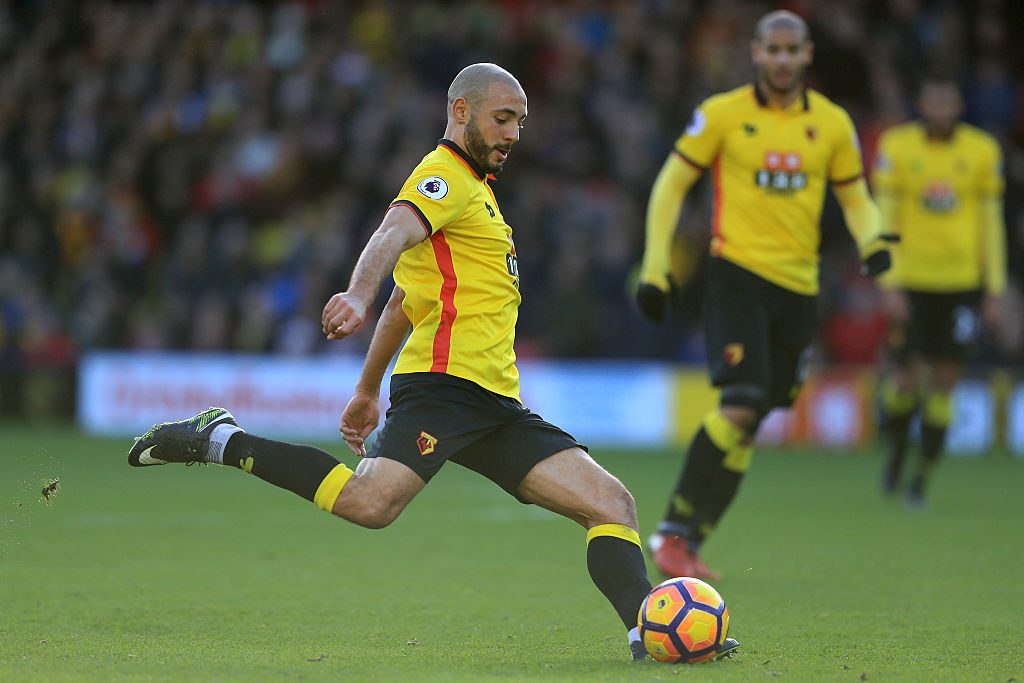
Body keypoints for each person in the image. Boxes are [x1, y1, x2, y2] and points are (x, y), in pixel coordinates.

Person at [127, 63, 737, 662]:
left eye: (521, 122)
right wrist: (355, 294)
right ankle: (223, 440)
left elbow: (407, 299)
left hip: (495, 403)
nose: (513, 135)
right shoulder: (442, 175)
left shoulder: (480, 198)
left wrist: (367, 390)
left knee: (612, 504)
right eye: (503, 119)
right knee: (371, 505)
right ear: (461, 111)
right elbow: (392, 235)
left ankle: (650, 635)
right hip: (443, 390)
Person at [636, 11, 895, 579]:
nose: (781, 59)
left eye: (791, 50)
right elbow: (672, 183)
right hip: (737, 277)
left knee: (755, 420)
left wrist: (874, 239)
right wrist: (657, 267)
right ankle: (672, 535)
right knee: (743, 401)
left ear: (807, 56)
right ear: (755, 52)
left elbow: (855, 196)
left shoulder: (831, 124)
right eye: (771, 49)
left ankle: (691, 538)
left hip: (800, 289)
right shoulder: (722, 115)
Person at [873, 74, 1006, 508]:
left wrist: (994, 288)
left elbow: (991, 223)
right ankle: (895, 452)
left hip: (961, 285)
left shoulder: (982, 151)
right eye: (934, 101)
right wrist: (888, 281)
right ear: (922, 103)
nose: (941, 110)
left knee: (946, 382)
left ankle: (921, 478)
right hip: (911, 283)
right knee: (904, 380)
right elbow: (885, 217)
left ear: (960, 105)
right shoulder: (897, 147)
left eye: (949, 102)